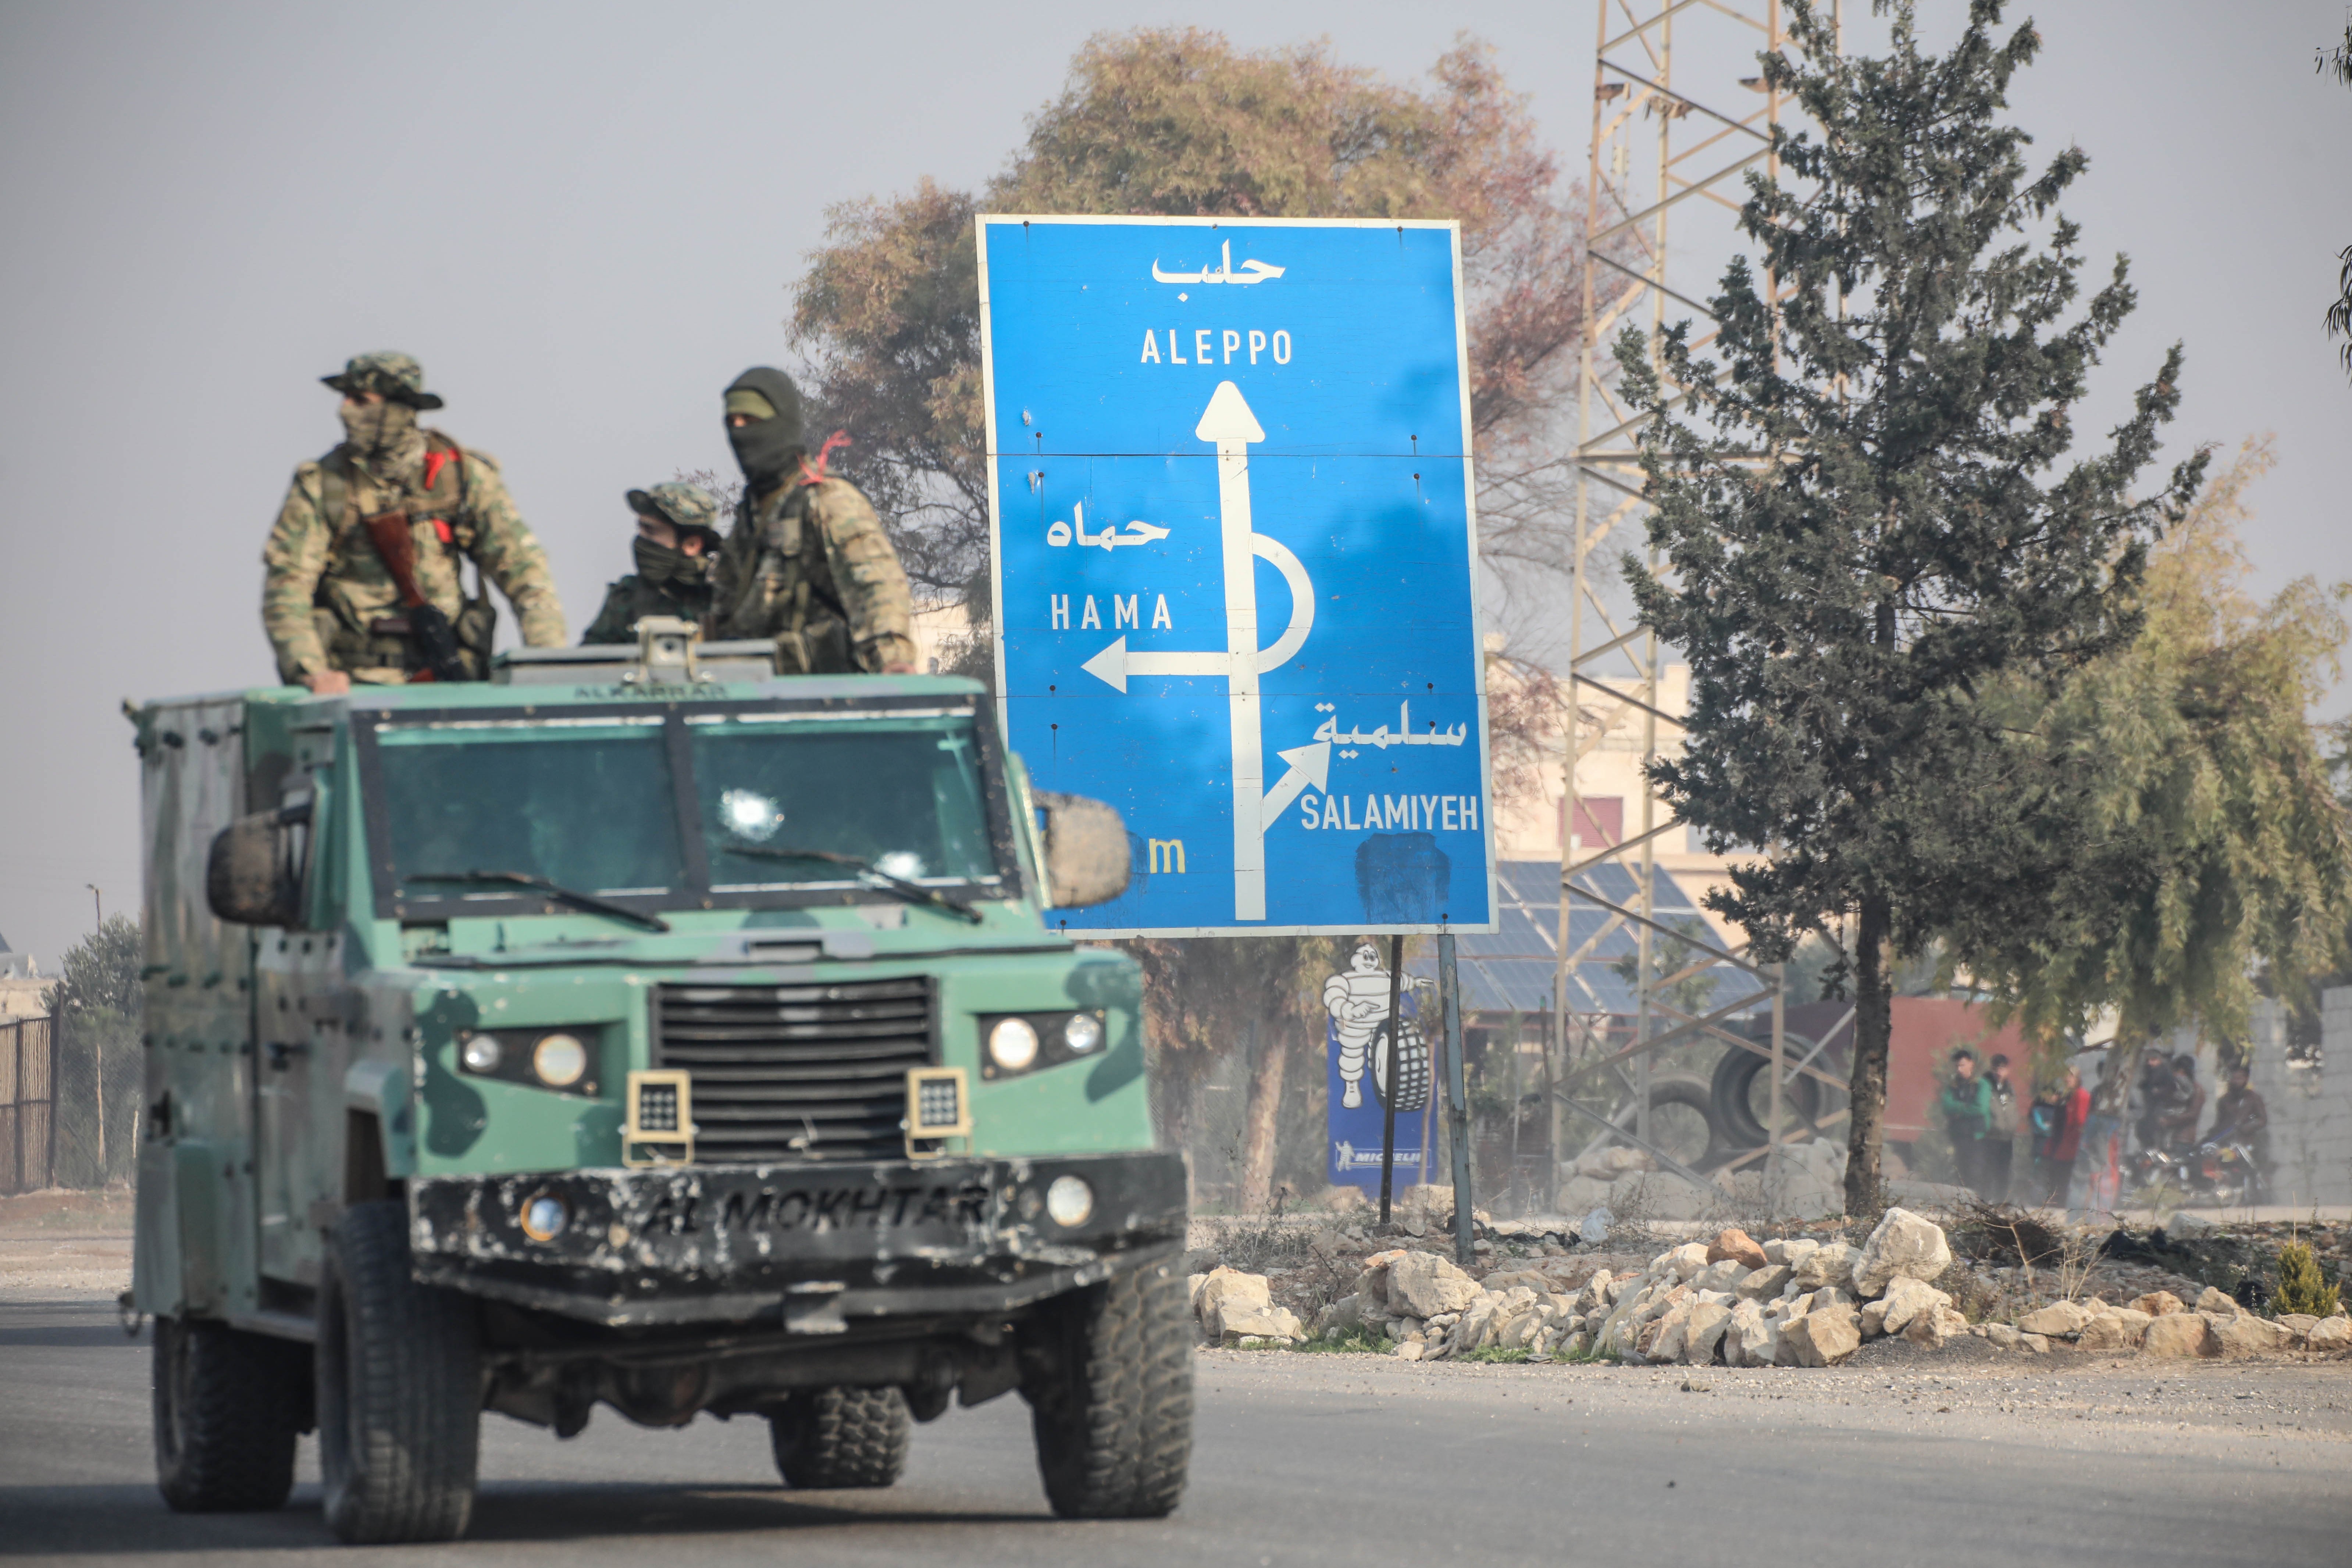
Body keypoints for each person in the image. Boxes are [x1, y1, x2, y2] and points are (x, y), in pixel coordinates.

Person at [262, 352, 566, 692]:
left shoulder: (462, 477)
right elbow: (288, 587)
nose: (345, 410)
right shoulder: (324, 485)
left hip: (449, 680)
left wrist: (547, 662)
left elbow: (524, 570)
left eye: (361, 400)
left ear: (399, 409)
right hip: (357, 686)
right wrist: (312, 671)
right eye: (346, 399)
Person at [709, 367, 916, 674]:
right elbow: (726, 607)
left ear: (781, 422)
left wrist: (893, 661)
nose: (740, 432)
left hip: (827, 699)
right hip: (759, 694)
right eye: (732, 423)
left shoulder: (826, 498)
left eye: (751, 421)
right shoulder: (750, 514)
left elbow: (876, 584)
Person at [581, 482, 725, 644]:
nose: (640, 539)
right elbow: (590, 661)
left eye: (651, 531)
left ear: (691, 545)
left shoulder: (724, 597)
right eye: (640, 529)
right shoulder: (629, 597)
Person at [2033, 1064, 2092, 1207]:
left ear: (2078, 1078)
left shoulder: (2081, 1095)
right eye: (2066, 1076)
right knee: (2055, 1173)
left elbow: (2080, 1122)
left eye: (2071, 1076)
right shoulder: (2067, 1096)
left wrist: (2073, 1141)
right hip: (2060, 1142)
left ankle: (2063, 1202)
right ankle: (2055, 1200)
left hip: (2071, 1144)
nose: (2067, 1079)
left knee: (2064, 1174)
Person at [1937, 1048, 1992, 1193]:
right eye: (1957, 1066)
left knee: (1976, 1171)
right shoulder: (1953, 1086)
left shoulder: (1982, 1085)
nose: (1959, 1069)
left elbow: (1980, 1108)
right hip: (1958, 1135)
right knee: (1961, 1171)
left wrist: (1959, 1110)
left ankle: (1978, 1202)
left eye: (1962, 1065)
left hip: (1977, 1136)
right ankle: (1964, 1203)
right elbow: (1947, 1106)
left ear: (1971, 1065)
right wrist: (1967, 1107)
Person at [2207, 1060, 2271, 1180]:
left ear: (2246, 1079)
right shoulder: (2224, 1101)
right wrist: (2211, 1138)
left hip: (2248, 1147)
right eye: (2234, 1078)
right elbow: (2219, 1124)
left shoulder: (2254, 1098)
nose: (2236, 1082)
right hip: (2227, 1147)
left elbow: (2262, 1120)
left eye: (2240, 1078)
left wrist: (2245, 1128)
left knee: (2253, 1176)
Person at [1979, 1052, 2018, 1202]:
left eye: (2003, 1069)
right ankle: (1985, 1200)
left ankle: (2002, 1201)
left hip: (2007, 1137)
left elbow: (2013, 1109)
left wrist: (2012, 1125)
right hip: (1991, 1137)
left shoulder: (2009, 1088)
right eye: (1997, 1069)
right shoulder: (1986, 1085)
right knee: (1988, 1171)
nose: (2000, 1072)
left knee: (2004, 1172)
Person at [2159, 1052, 2207, 1155]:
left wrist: (2169, 1121)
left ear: (2182, 1071)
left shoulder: (2197, 1090)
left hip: (2183, 1140)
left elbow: (2193, 1115)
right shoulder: (2177, 1088)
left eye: (2176, 1072)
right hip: (2169, 1138)